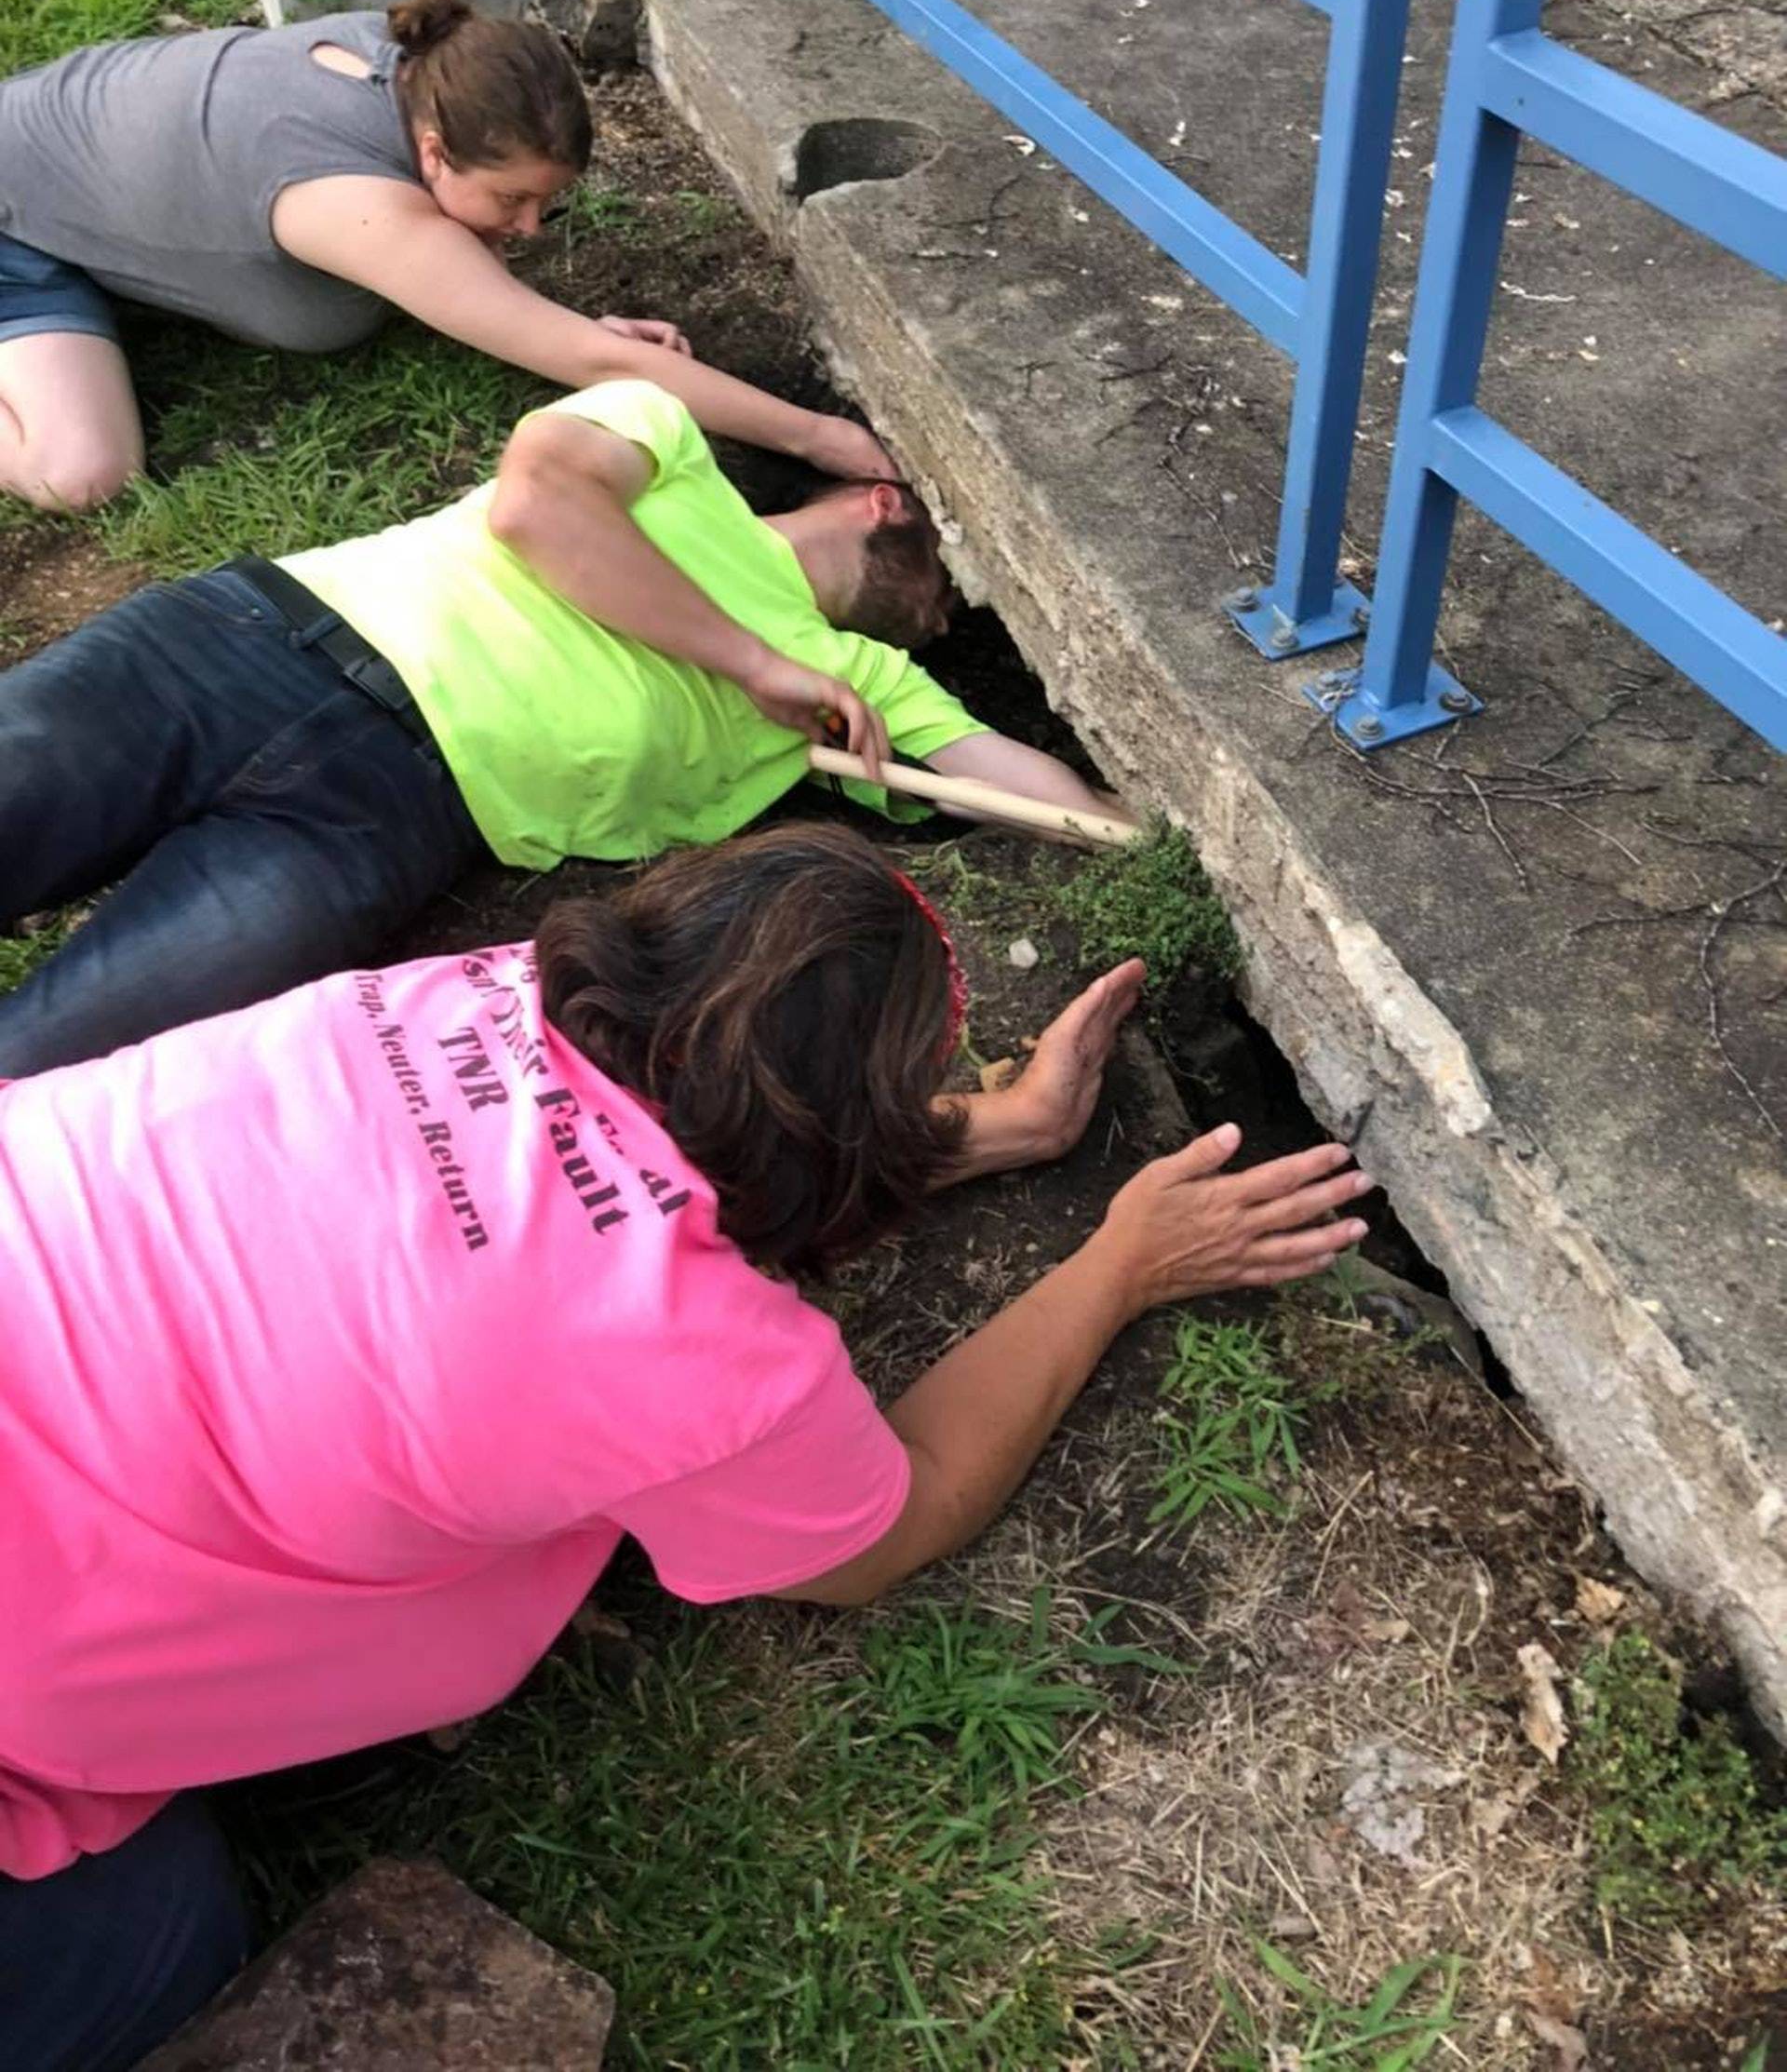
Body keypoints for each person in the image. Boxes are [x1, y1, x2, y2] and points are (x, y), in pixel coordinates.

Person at [0, 823, 1374, 2071]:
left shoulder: (471, 992)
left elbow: (599, 1158)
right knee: (164, 1934)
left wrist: (985, 1130)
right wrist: (1122, 1262)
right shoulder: (695, 1356)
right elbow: (891, 1522)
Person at [0, 372, 1114, 1076]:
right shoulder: (664, 438)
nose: (949, 613)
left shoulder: (865, 682)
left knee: (49, 1063)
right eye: (950, 584)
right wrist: (752, 662)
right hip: (244, 647)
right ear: (889, 503)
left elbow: (1057, 810)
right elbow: (538, 505)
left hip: (377, 823)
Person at [0, 0, 894, 511]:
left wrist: (562, 315)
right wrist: (822, 438)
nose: (531, 228)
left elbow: (512, 303)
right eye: (513, 199)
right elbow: (580, 357)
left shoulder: (422, 60)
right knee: (82, 473)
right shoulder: (354, 204)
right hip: (13, 224)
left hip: (46, 134)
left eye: (547, 201)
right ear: (433, 151)